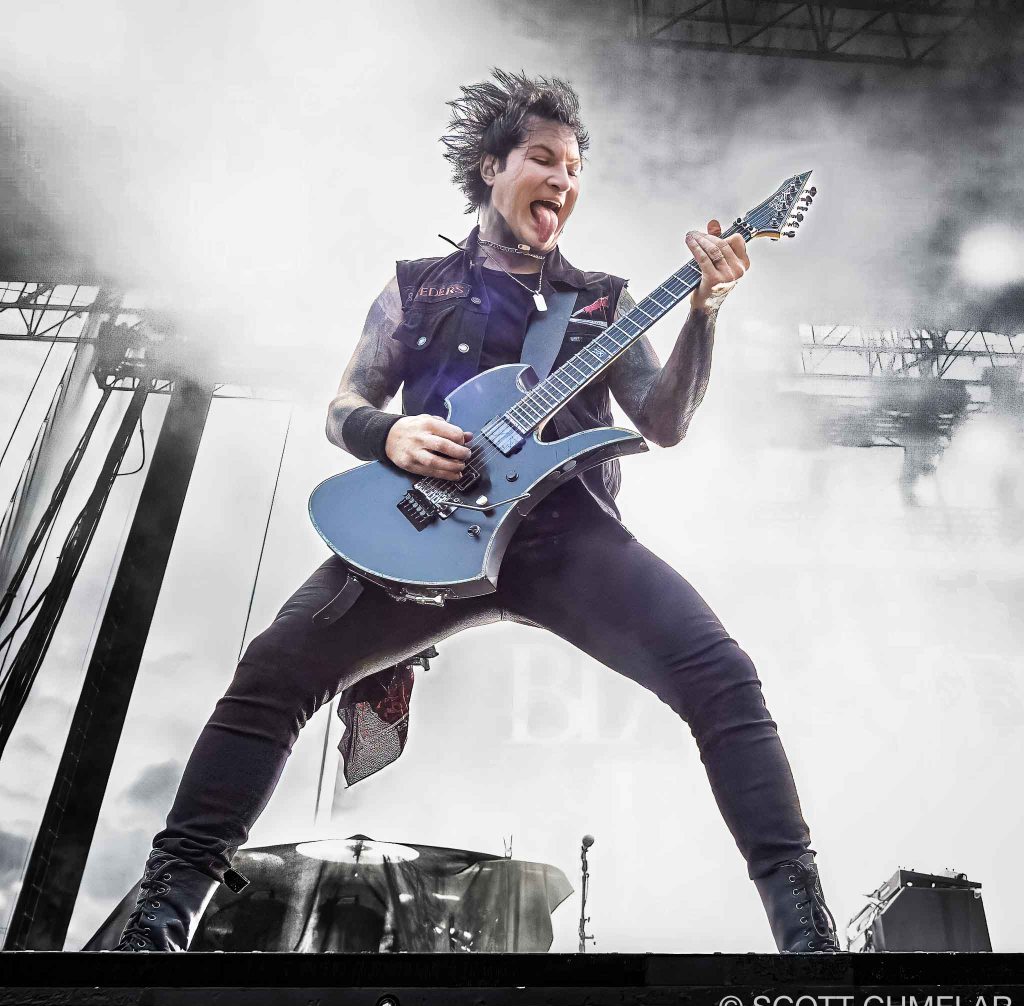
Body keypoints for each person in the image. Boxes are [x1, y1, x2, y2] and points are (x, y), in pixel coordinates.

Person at [115, 69, 839, 954]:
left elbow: (664, 423)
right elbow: (344, 406)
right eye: (544, 159)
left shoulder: (603, 301)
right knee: (271, 676)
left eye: (574, 168)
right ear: (493, 166)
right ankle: (160, 919)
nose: (563, 180)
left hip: (567, 539)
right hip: (425, 534)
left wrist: (706, 313)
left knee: (721, 677)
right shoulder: (415, 289)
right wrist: (390, 434)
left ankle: (806, 932)